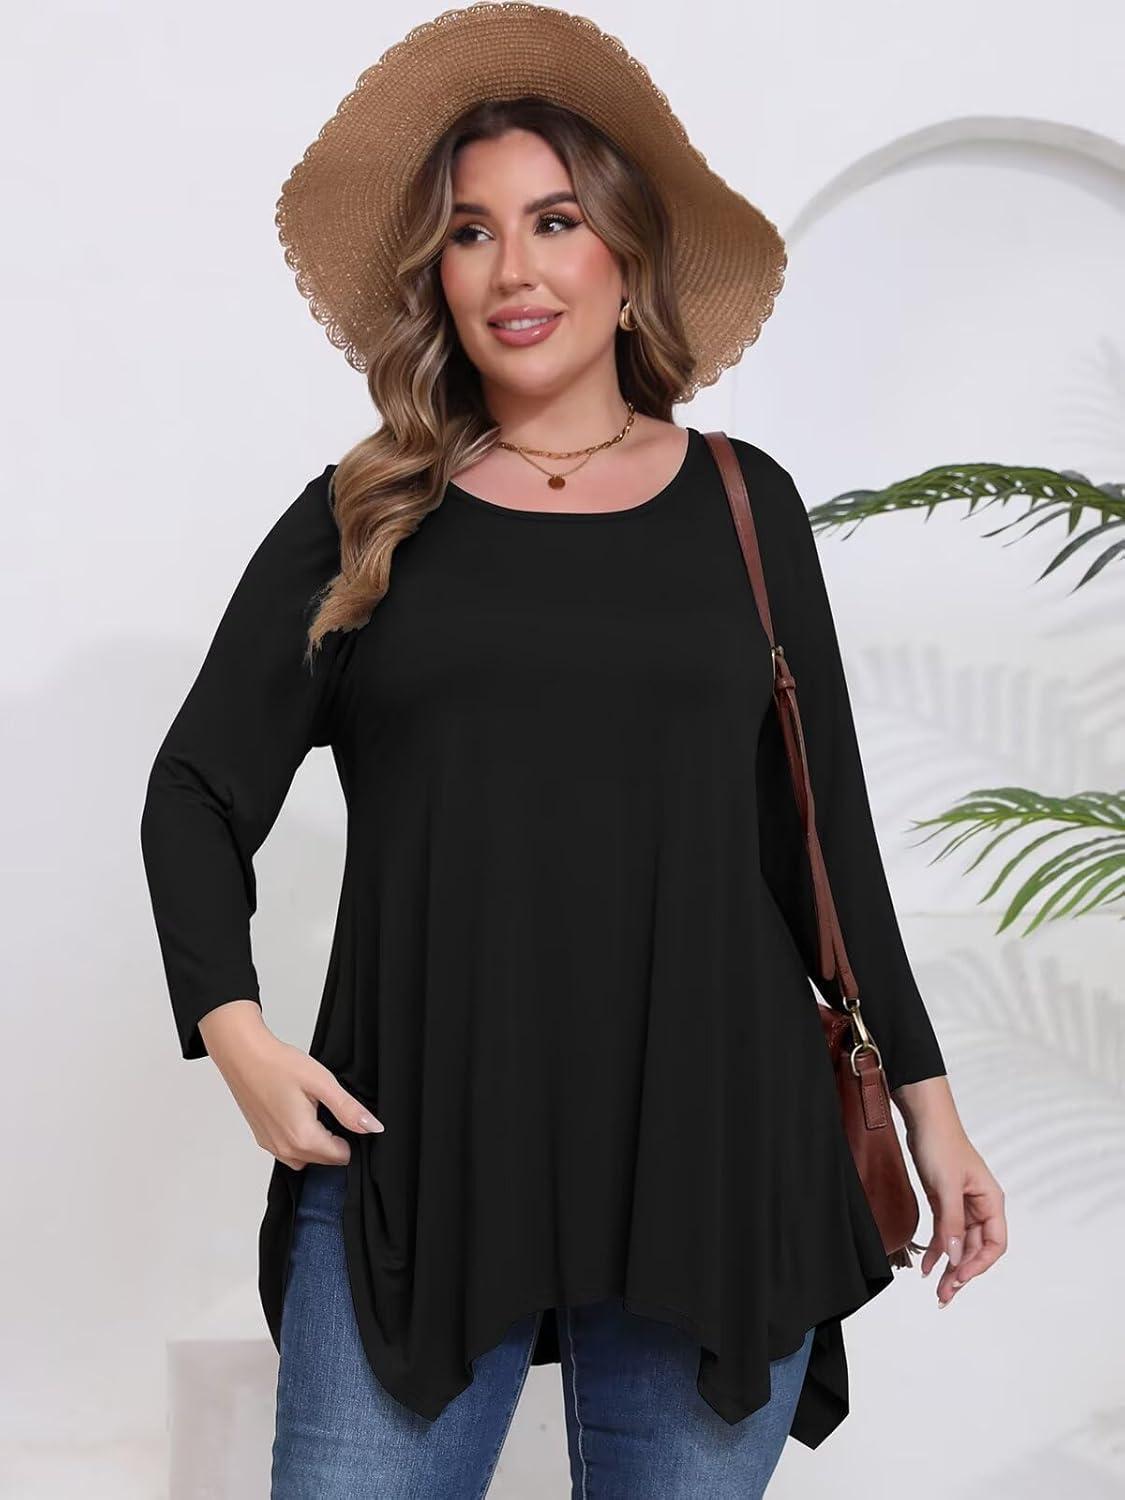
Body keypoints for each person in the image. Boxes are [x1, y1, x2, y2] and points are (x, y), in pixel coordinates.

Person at [139, 5, 1008, 1496]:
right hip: (421, 1150)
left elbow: (827, 846)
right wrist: (235, 1034)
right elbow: (196, 791)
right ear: (436, 277)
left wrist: (932, 1117)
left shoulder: (742, 502)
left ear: (625, 255)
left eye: (554, 221)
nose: (514, 270)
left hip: (716, 1145)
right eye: (470, 235)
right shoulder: (369, 513)